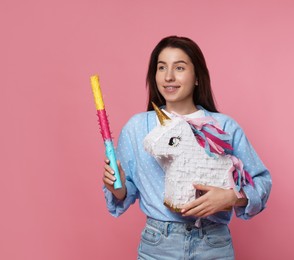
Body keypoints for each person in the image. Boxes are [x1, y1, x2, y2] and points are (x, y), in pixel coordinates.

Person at [102, 36, 272, 259]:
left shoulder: (224, 127)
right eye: (161, 67)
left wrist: (232, 197)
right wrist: (117, 186)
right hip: (159, 245)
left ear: (197, 77)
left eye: (179, 67)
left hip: (213, 244)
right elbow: (125, 193)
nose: (169, 76)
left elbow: (262, 182)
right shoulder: (138, 128)